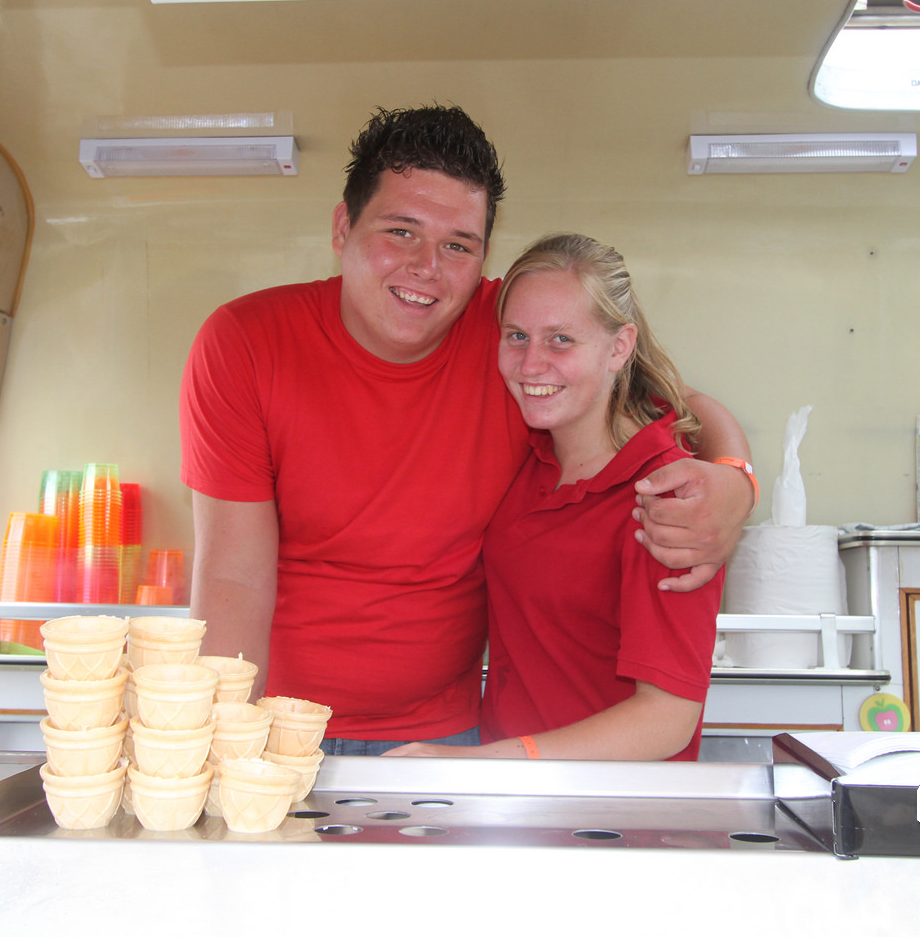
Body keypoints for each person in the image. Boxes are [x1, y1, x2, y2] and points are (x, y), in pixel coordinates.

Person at [180, 105, 753, 752]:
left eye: (457, 245)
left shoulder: (509, 334)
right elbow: (233, 578)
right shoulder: (247, 343)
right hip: (280, 729)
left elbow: (663, 397)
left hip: (446, 739)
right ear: (343, 227)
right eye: (401, 231)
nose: (426, 266)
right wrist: (228, 746)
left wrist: (736, 479)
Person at [387, 234, 722, 761]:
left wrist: (478, 764)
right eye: (517, 336)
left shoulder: (665, 497)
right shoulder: (531, 457)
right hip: (514, 794)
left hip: (611, 803)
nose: (531, 365)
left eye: (561, 339)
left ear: (619, 346)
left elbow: (667, 719)